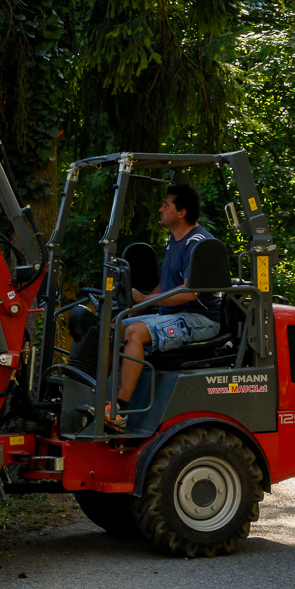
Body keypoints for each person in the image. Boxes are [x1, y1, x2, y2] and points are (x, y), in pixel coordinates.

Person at [109, 182, 223, 425]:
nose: (161, 209)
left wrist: (144, 299)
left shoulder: (198, 243)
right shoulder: (173, 241)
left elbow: (189, 292)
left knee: (135, 332)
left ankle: (120, 411)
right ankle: (103, 397)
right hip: (174, 314)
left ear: (181, 212)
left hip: (200, 319)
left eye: (166, 205)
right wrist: (138, 307)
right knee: (116, 326)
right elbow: (167, 285)